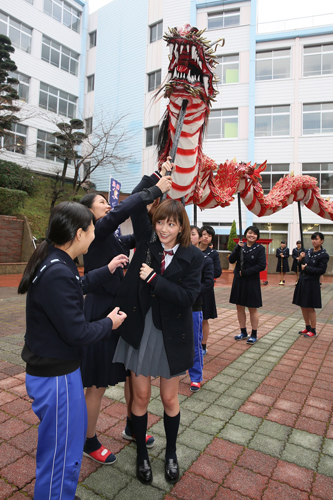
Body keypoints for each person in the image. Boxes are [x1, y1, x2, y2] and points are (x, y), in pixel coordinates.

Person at [18, 201, 128, 500]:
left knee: (62, 444)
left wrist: (107, 268)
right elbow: (78, 332)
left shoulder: (55, 260)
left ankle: (59, 493)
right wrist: (109, 322)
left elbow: (78, 284)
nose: (96, 234)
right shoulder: (57, 272)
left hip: (55, 371)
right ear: (80, 234)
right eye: (93, 229)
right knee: (61, 450)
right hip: (56, 377)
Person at [79, 175, 172, 464]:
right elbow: (124, 208)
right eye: (102, 203)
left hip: (122, 311)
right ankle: (88, 439)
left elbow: (135, 218)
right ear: (88, 213)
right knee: (96, 384)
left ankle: (134, 425)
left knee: (133, 371)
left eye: (107, 202)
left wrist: (154, 176)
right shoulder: (98, 231)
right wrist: (155, 189)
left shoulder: (116, 236)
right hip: (100, 312)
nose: (108, 206)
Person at [113, 199, 203, 485]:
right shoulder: (147, 243)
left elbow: (188, 297)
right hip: (142, 330)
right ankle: (141, 452)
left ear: (181, 227)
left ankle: (171, 453)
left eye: (171, 224)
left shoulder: (194, 256)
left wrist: (154, 279)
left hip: (172, 334)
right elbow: (135, 203)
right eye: (160, 222)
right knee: (140, 397)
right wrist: (156, 182)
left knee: (168, 398)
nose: (164, 229)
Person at [229, 226, 266, 345]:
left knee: (252, 308)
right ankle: (243, 332)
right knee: (239, 307)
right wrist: (237, 249)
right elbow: (231, 260)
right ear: (245, 234)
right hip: (239, 280)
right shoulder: (241, 246)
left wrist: (247, 272)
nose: (252, 235)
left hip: (251, 281)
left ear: (257, 236)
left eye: (255, 234)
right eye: (250, 233)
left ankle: (254, 334)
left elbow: (261, 265)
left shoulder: (260, 248)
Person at [189, 226, 214, 392]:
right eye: (186, 234)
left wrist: (189, 293)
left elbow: (208, 283)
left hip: (194, 305)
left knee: (195, 343)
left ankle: (196, 377)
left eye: (192, 234)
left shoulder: (206, 260)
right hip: (175, 305)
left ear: (199, 237)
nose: (189, 237)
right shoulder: (175, 256)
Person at [293, 231, 329, 338]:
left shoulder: (324, 255)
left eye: (316, 239)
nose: (314, 241)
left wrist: (307, 268)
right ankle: (307, 327)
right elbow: (300, 265)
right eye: (312, 239)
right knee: (303, 305)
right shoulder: (307, 251)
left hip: (312, 283)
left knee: (310, 307)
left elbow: (321, 270)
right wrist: (300, 258)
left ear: (322, 241)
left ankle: (313, 330)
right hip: (303, 281)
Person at [199, 225, 222, 355]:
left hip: (205, 290)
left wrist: (206, 270)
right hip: (191, 288)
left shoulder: (213, 254)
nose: (206, 237)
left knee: (204, 318)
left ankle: (203, 345)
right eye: (203, 234)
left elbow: (217, 272)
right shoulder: (191, 250)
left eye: (209, 235)